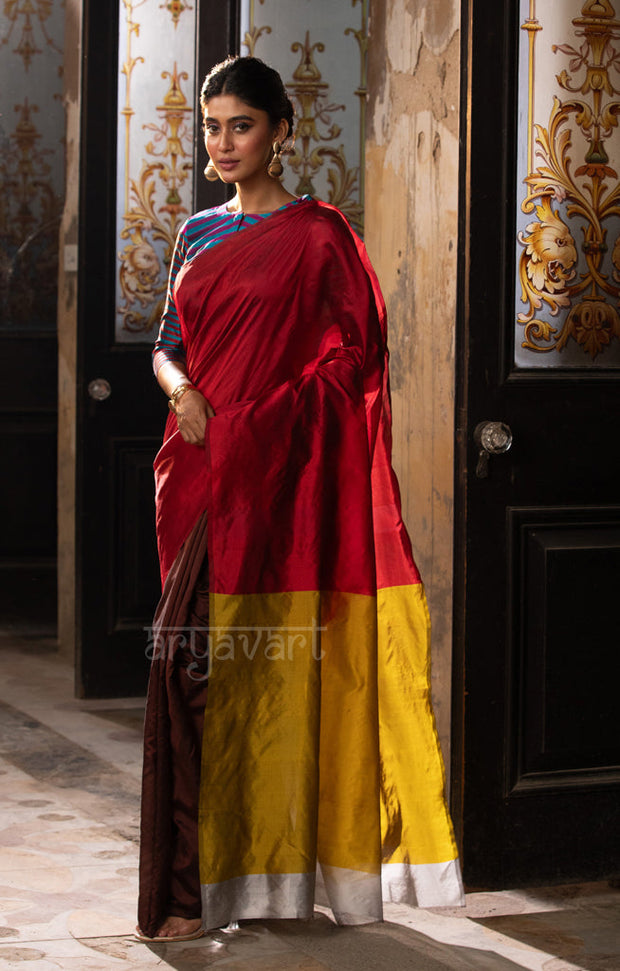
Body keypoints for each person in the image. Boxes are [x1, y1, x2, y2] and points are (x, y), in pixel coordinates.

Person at [136, 55, 463, 944]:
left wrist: (257, 423)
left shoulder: (320, 237)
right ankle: (192, 888)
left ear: (281, 129)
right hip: (203, 476)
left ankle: (265, 884)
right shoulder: (197, 233)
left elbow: (350, 363)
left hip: (282, 484)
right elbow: (167, 342)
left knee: (273, 675)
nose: (224, 142)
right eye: (212, 126)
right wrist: (184, 394)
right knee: (190, 670)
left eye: (241, 125)